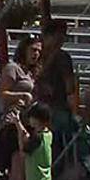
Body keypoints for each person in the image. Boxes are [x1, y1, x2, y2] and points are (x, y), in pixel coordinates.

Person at [0, 36, 40, 180]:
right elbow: (2, 93)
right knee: (17, 171)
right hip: (13, 124)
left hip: (29, 125)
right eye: (33, 50)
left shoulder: (33, 73)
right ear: (24, 50)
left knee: (24, 173)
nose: (36, 54)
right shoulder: (12, 68)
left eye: (39, 51)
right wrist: (22, 95)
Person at [36, 19, 79, 161]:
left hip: (36, 109)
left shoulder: (36, 54)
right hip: (57, 110)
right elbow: (69, 88)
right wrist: (75, 114)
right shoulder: (62, 58)